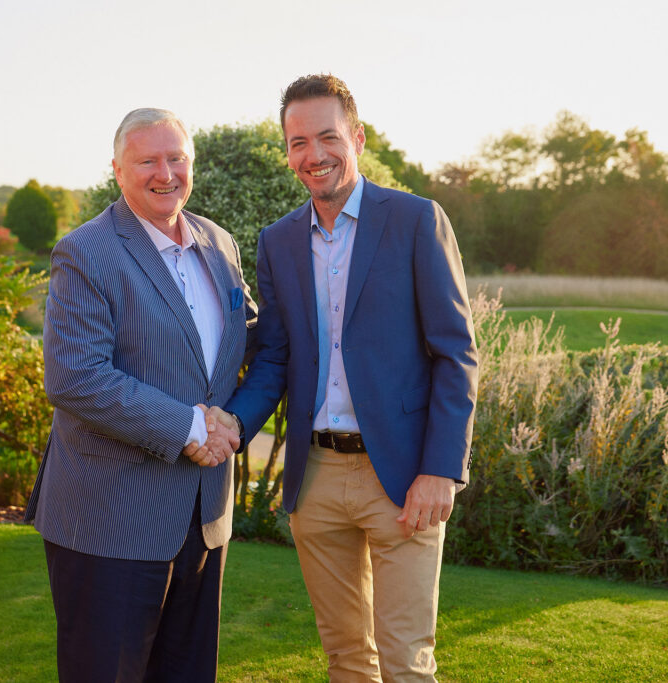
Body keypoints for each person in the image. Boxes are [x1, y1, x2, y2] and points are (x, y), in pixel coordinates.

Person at [206, 74, 478, 681]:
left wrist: (441, 468)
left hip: (404, 475)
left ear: (357, 137)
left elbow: (456, 352)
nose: (314, 155)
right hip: (318, 479)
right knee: (347, 660)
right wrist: (231, 426)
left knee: (407, 661)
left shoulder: (414, 220)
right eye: (298, 142)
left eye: (327, 137)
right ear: (287, 151)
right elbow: (274, 355)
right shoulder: (276, 241)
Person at [24, 107, 255, 683]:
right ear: (118, 170)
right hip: (108, 524)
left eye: (176, 158)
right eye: (147, 160)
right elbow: (76, 376)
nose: (165, 172)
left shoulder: (219, 244)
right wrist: (195, 429)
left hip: (202, 516)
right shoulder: (87, 251)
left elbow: (248, 337)